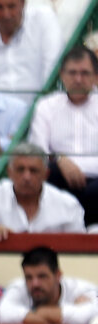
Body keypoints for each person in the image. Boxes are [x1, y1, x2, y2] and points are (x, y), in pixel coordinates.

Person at [0, 142, 86, 238]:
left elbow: (80, 246)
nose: (26, 177)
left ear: (45, 175)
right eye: (20, 170)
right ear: (9, 172)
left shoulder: (67, 204)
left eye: (33, 171)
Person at [28, 46, 98, 226]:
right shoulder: (46, 105)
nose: (78, 79)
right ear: (62, 74)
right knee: (47, 173)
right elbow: (37, 149)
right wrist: (60, 159)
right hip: (59, 176)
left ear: (95, 77)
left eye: (84, 73)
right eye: (72, 73)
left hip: (96, 180)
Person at [0, 244, 98, 324]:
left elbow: (92, 314)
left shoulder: (82, 289)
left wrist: (34, 315)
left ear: (58, 275)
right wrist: (60, 318)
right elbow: (4, 314)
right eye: (29, 277)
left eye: (42, 276)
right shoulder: (18, 287)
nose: (35, 284)